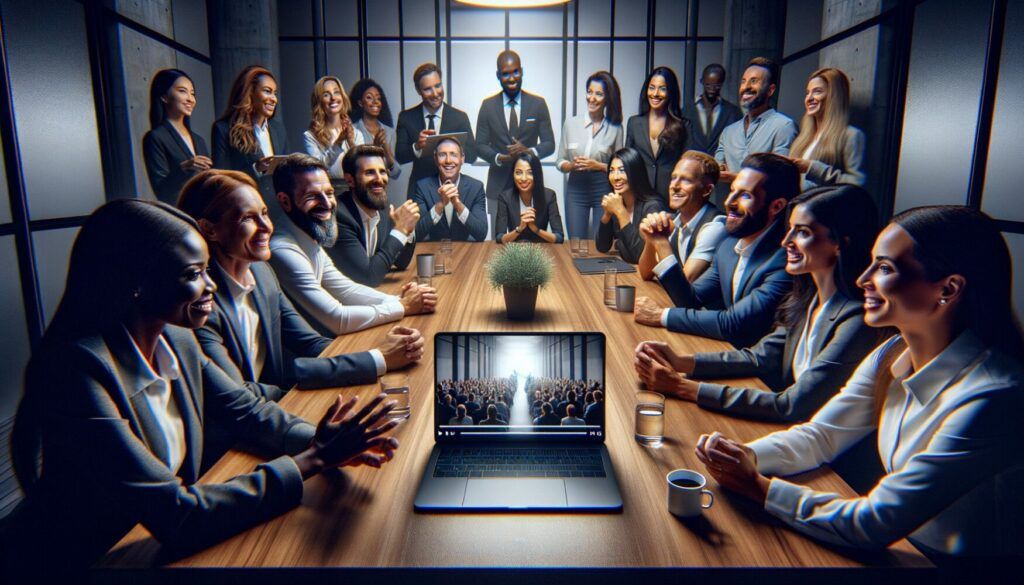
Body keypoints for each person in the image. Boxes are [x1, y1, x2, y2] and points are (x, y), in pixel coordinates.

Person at [0, 199, 401, 569]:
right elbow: (178, 514)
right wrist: (314, 458)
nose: (211, 285)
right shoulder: (77, 372)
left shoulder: (176, 336)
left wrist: (323, 438)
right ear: (135, 283)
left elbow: (247, 411)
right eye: (193, 274)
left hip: (148, 551)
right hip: (77, 565)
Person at [693, 206, 1024, 558]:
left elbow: (874, 522)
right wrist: (743, 456)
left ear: (948, 288)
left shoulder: (994, 395)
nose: (862, 279)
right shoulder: (891, 352)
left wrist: (758, 486)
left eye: (884, 268)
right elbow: (820, 436)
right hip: (904, 552)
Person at [635, 185, 882, 423]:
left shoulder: (857, 319)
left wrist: (681, 386)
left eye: (803, 232)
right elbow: (759, 357)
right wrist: (680, 361)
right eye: (790, 229)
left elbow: (790, 405)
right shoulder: (807, 297)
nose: (786, 241)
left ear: (842, 243)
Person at [177, 169, 425, 404]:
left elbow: (310, 342)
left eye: (264, 213)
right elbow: (239, 394)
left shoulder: (262, 273)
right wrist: (379, 357)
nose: (266, 227)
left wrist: (382, 350)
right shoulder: (199, 302)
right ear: (210, 229)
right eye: (248, 218)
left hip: (279, 404)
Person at [633, 153, 798, 348]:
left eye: (745, 195)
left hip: (759, 373)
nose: (729, 202)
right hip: (726, 352)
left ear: (776, 206)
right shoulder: (728, 247)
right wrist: (659, 241)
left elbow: (733, 324)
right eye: (732, 191)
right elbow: (690, 299)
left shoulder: (785, 259)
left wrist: (661, 315)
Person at [267, 154, 435, 336]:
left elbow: (346, 289)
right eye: (312, 196)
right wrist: (404, 305)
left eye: (329, 193)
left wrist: (398, 299)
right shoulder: (282, 249)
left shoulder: (308, 234)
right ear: (284, 200)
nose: (327, 203)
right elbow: (337, 318)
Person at [476, 49, 556, 234]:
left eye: (515, 72)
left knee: (533, 236)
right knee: (499, 239)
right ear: (498, 75)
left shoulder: (538, 104)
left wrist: (529, 151)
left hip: (530, 183)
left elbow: (549, 143)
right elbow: (479, 145)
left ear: (522, 71)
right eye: (505, 73)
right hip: (498, 184)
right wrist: (499, 157)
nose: (511, 78)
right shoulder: (487, 106)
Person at [328, 145, 419, 286]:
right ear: (350, 180)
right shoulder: (339, 216)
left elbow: (401, 262)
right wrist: (400, 230)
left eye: (382, 172)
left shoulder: (382, 207)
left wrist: (408, 229)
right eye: (370, 172)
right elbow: (368, 277)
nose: (379, 179)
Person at [637, 150, 727, 283]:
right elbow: (646, 273)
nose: (675, 186)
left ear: (707, 190)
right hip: (675, 301)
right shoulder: (675, 221)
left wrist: (661, 241)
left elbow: (684, 283)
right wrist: (651, 238)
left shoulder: (715, 226)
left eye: (686, 180)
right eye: (673, 178)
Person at [556, 71, 625, 239]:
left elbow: (621, 167)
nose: (592, 98)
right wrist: (571, 166)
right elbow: (559, 161)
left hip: (603, 187)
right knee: (576, 242)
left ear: (607, 98)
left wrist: (598, 166)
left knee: (599, 240)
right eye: (589, 92)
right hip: (576, 187)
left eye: (599, 94)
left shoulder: (616, 128)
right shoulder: (570, 124)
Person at [714, 57, 797, 185]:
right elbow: (717, 167)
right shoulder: (728, 132)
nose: (746, 87)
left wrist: (735, 178)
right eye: (743, 82)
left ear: (770, 90)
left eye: (754, 81)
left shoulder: (784, 126)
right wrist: (718, 168)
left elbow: (781, 176)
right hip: (730, 203)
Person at [396, 62, 477, 187]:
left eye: (438, 86)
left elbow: (472, 155)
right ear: (418, 90)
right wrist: (417, 146)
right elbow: (400, 156)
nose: (435, 93)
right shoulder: (406, 118)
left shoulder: (460, 117)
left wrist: (455, 146)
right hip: (418, 188)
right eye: (427, 89)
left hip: (452, 188)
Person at [787, 68, 866, 190]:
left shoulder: (851, 136)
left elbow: (857, 184)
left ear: (834, 96)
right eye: (807, 93)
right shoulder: (805, 136)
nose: (809, 98)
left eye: (817, 92)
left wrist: (812, 168)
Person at [142, 68, 212, 204]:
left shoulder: (199, 140)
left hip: (206, 211)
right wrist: (184, 168)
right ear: (164, 96)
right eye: (182, 91)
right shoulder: (155, 137)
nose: (190, 99)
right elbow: (161, 191)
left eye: (192, 93)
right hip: (180, 213)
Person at [625, 66, 692, 200]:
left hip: (670, 195)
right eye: (652, 87)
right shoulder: (634, 123)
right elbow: (628, 162)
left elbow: (687, 164)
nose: (655, 94)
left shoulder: (683, 125)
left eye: (662, 88)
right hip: (640, 195)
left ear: (671, 92)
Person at [212, 66, 288, 181]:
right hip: (244, 198)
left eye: (275, 93)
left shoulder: (278, 129)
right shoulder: (223, 129)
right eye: (267, 91)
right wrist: (255, 169)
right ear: (249, 92)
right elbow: (220, 178)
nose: (274, 99)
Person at [410, 136, 488, 241]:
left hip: (464, 251)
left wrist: (457, 204)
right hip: (434, 251)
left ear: (462, 158)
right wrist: (440, 204)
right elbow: (417, 233)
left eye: (453, 155)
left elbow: (481, 233)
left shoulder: (476, 187)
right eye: (442, 155)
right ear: (435, 158)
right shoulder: (422, 187)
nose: (448, 160)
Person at [595, 147, 666, 264]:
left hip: (647, 278)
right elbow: (602, 247)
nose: (615, 177)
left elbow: (639, 257)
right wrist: (607, 214)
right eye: (612, 171)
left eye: (622, 170)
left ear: (636, 172)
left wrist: (621, 212)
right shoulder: (619, 201)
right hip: (627, 270)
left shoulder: (653, 206)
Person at [495, 152, 564, 244]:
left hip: (541, 251)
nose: (523, 178)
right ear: (513, 174)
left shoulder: (549, 196)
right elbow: (499, 238)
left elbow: (559, 238)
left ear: (537, 175)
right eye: (518, 173)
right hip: (514, 252)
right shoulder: (504, 197)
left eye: (530, 173)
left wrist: (535, 229)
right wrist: (519, 228)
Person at [303, 75, 362, 182]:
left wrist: (351, 142)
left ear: (343, 97)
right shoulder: (310, 136)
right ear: (319, 101)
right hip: (328, 189)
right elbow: (319, 166)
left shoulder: (356, 133)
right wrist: (338, 142)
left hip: (354, 189)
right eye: (326, 94)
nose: (333, 98)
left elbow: (362, 165)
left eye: (336, 92)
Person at [683, 64, 742, 156]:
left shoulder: (733, 113)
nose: (712, 89)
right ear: (702, 81)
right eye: (708, 85)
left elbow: (737, 144)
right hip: (692, 165)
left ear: (722, 83)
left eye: (717, 85)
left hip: (720, 166)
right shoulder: (686, 111)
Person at [348, 78, 401, 179]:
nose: (375, 102)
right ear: (360, 103)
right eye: (369, 98)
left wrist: (385, 149)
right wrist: (375, 148)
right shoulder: (352, 131)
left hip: (381, 188)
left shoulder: (390, 132)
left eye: (378, 98)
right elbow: (354, 167)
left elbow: (395, 173)